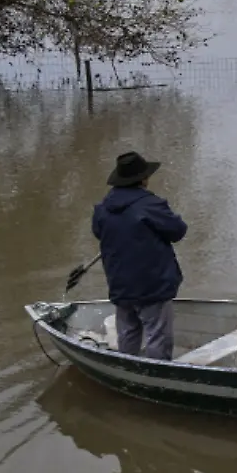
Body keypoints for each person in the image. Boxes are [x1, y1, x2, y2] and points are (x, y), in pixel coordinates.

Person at [92, 151, 188, 360]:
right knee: (157, 337)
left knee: (127, 333)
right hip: (152, 286)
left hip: (120, 285)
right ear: (142, 179)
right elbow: (178, 230)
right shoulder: (151, 205)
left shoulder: (102, 209)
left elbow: (99, 232)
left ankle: (129, 371)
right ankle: (158, 378)